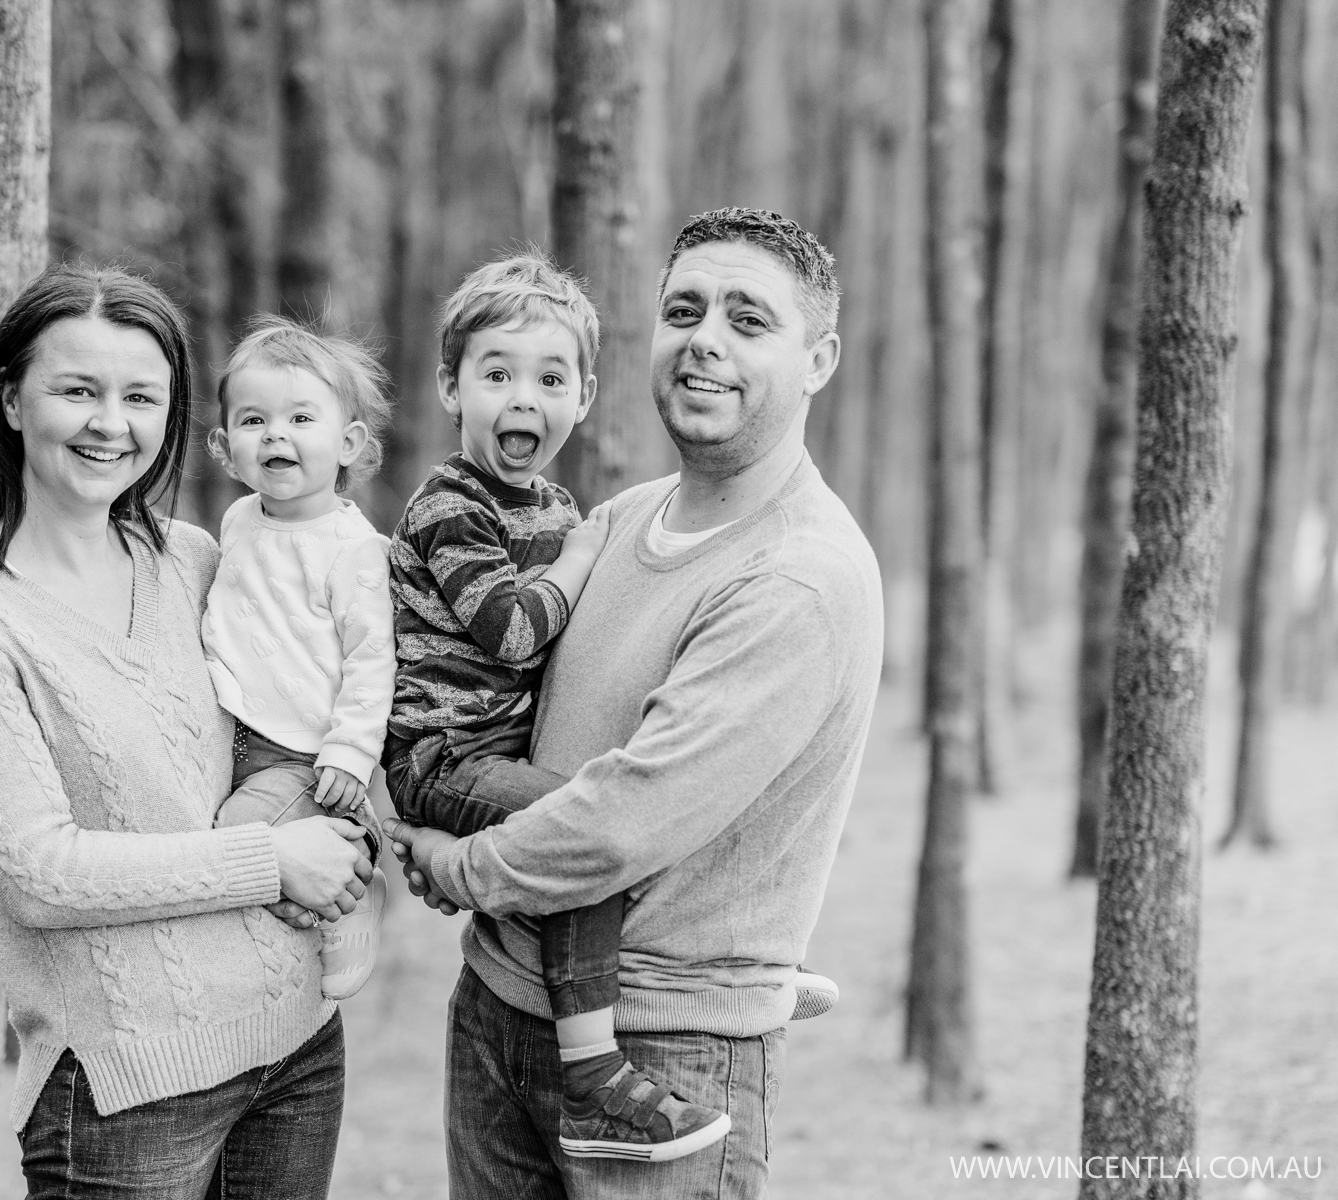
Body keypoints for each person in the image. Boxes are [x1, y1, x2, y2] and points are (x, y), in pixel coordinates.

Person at [393, 208, 885, 1198]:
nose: (706, 338)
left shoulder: (798, 576)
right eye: (684, 310)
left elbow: (626, 822)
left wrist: (461, 865)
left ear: (819, 358)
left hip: (664, 1053)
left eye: (750, 320)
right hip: (495, 1014)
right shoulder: (609, 522)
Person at [0, 263, 374, 1200]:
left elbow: (305, 715)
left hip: (298, 1043)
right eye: (78, 390)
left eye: (140, 397)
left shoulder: (197, 558)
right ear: (13, 401)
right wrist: (274, 860)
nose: (110, 423)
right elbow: (39, 873)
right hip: (130, 1092)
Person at [381, 252, 734, 1163]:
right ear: (450, 387)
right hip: (442, 755)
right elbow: (509, 629)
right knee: (584, 822)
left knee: (614, 812)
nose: (522, 400)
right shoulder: (449, 505)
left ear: (583, 397)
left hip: (500, 749)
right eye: (495, 374)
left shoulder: (551, 504)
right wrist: (578, 558)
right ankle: (590, 1068)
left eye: (549, 379)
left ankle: (723, 965)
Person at [202, 316, 396, 1000]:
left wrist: (350, 754)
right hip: (239, 739)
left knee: (234, 842)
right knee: (238, 856)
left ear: (346, 444)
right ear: (227, 448)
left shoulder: (352, 547)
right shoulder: (235, 521)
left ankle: (352, 883)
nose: (276, 434)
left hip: (304, 752)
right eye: (254, 420)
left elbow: (373, 660)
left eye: (300, 418)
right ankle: (319, 895)